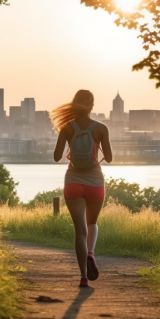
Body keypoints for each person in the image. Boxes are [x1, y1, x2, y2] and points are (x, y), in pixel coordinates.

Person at [51, 90, 113, 288]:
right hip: (95, 181)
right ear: (92, 105)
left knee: (80, 232)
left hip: (73, 182)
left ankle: (84, 278)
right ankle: (90, 253)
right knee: (92, 223)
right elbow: (110, 158)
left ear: (74, 104)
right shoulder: (101, 128)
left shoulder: (67, 128)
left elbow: (56, 156)